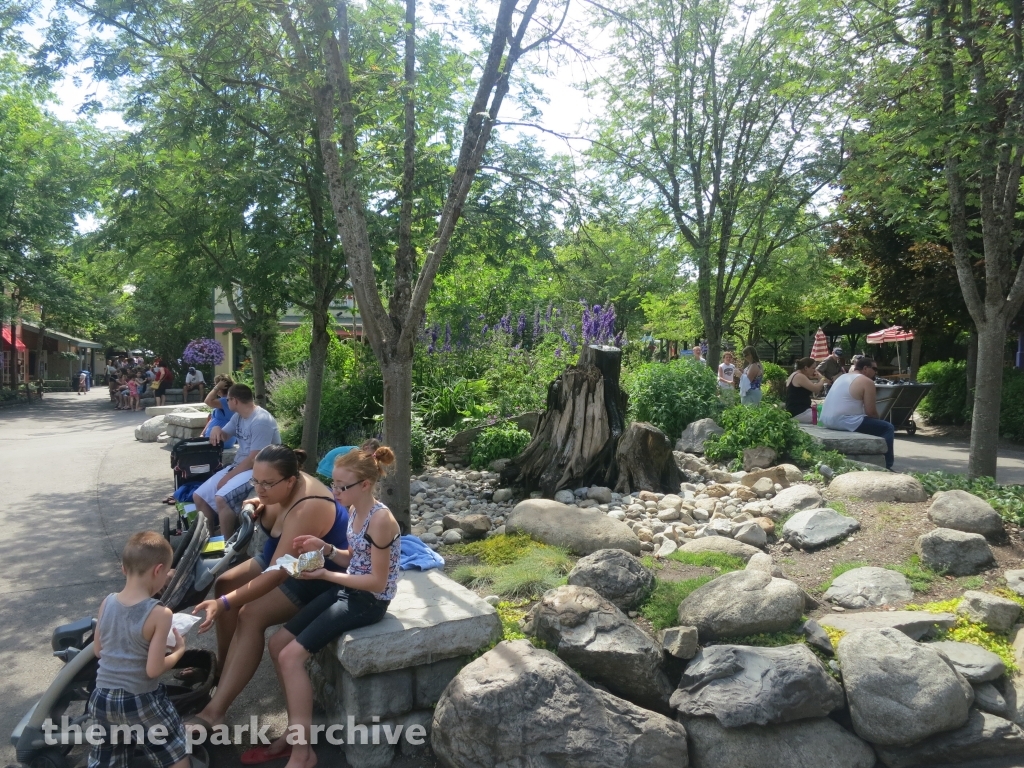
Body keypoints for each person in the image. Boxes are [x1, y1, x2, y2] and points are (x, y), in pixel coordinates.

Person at [252, 446, 401, 768]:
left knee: (291, 656)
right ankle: (295, 733)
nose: (335, 492)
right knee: (277, 644)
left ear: (365, 484)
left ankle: (303, 753)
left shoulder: (380, 520)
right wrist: (327, 548)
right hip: (348, 591)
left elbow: (377, 582)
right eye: (334, 484)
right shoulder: (355, 510)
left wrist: (324, 573)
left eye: (341, 487)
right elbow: (354, 559)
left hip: (368, 602)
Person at [187, 444, 348, 733]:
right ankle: (224, 671)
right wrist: (256, 504)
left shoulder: (308, 506)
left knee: (250, 615)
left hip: (315, 572)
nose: (260, 489)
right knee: (224, 582)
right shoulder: (278, 486)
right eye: (256, 481)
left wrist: (223, 604)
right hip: (285, 558)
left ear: (290, 480)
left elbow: (277, 574)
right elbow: (268, 520)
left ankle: (214, 712)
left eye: (267, 484)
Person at [85, 531, 190, 768]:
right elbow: (153, 669)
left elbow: (99, 650)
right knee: (173, 752)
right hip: (139, 699)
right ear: (158, 571)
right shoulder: (160, 614)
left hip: (102, 698)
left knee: (107, 759)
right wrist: (178, 651)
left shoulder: (107, 602)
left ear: (124, 568)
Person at [193, 384, 280, 537]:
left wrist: (227, 477)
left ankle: (227, 545)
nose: (226, 402)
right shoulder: (238, 417)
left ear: (235, 400)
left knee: (221, 498)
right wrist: (216, 429)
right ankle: (209, 540)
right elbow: (225, 435)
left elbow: (254, 459)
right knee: (198, 496)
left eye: (227, 399)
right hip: (239, 465)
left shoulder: (261, 421)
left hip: (259, 469)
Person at [820, 356, 896, 470]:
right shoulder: (867, 381)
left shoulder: (842, 377)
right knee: (887, 427)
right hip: (843, 421)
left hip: (826, 419)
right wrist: (878, 420)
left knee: (872, 424)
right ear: (865, 368)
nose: (876, 372)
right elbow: (871, 412)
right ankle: (887, 465)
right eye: (874, 369)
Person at [785, 357, 825, 422]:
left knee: (822, 411)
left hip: (798, 410)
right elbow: (816, 389)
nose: (815, 371)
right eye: (813, 368)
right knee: (824, 417)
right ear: (806, 368)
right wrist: (822, 379)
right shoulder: (799, 376)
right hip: (799, 412)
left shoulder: (795, 374)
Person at [203, 375, 237, 449]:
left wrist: (217, 387)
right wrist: (202, 434)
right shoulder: (222, 401)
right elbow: (212, 420)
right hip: (214, 439)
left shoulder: (226, 401)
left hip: (221, 440)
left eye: (216, 385)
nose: (215, 387)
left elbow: (207, 401)